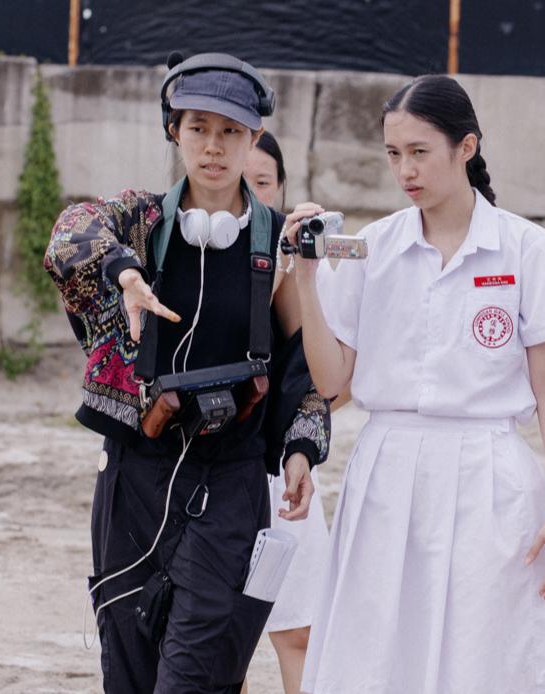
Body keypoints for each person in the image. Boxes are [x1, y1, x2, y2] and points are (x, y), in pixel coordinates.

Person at [43, 52, 331, 693]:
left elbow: (299, 368)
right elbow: (68, 234)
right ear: (173, 130)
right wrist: (123, 272)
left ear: (254, 138)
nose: (213, 147)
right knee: (131, 672)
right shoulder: (141, 222)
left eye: (231, 131)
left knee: (197, 675)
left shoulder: (275, 243)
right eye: (198, 127)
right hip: (135, 479)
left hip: (230, 485)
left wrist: (302, 450)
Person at [288, 75, 545, 693]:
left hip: (491, 475)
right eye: (394, 154)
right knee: (376, 645)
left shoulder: (526, 248)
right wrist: (307, 280)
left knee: (486, 650)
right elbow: (332, 380)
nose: (405, 171)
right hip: (387, 472)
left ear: (466, 147)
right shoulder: (371, 247)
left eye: (419, 152)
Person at [242, 131, 330, 694]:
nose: (249, 195)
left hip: (281, 474)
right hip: (203, 471)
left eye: (263, 184)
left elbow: (317, 380)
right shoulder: (176, 250)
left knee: (298, 630)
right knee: (221, 638)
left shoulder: (293, 264)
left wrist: (295, 267)